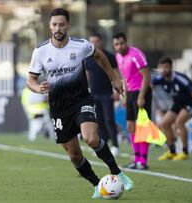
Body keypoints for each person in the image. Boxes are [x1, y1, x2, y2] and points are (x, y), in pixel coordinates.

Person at [26, 8, 133, 199]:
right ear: (50, 26)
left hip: (81, 99)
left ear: (67, 25)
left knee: (91, 138)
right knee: (74, 155)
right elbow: (30, 80)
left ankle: (117, 172)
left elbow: (100, 56)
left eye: (61, 24)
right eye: (54, 25)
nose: (57, 28)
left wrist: (114, 79)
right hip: (59, 107)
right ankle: (96, 185)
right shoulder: (40, 51)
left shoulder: (80, 45)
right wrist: (37, 88)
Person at [152, 56, 192, 161]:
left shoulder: (180, 78)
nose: (163, 70)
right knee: (164, 123)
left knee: (179, 122)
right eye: (161, 67)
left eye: (166, 67)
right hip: (178, 103)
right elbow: (148, 85)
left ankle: (185, 152)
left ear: (171, 67)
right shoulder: (160, 78)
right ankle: (172, 152)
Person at [112, 32, 152, 170]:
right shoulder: (118, 56)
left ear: (126, 42)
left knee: (143, 128)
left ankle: (143, 161)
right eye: (116, 44)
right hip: (130, 93)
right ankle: (136, 160)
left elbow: (147, 76)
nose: (119, 46)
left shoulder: (136, 54)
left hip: (142, 92)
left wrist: (141, 96)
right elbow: (125, 78)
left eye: (122, 43)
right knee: (130, 127)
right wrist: (126, 96)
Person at [85, 33, 120, 157]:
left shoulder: (109, 56)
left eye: (96, 41)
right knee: (98, 121)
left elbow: (116, 73)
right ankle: (103, 145)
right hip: (94, 94)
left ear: (101, 42)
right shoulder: (88, 57)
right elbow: (88, 75)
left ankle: (115, 145)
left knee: (109, 119)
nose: (94, 44)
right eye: (91, 41)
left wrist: (116, 90)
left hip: (107, 94)